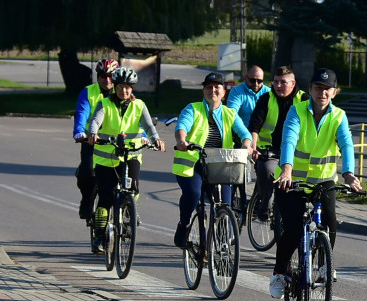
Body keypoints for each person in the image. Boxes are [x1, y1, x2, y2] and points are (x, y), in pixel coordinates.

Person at [269, 68, 364, 299]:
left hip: (323, 182)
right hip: (292, 182)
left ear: (334, 92)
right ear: (310, 89)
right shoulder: (297, 111)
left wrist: (349, 174)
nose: (323, 93)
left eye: (327, 89)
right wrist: (287, 169)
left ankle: (324, 265)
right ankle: (280, 272)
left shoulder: (339, 116)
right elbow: (289, 139)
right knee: (291, 229)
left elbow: (346, 145)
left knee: (330, 221)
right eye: (318, 88)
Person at [87, 66, 166, 253]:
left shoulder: (139, 105)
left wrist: (157, 140)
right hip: (107, 158)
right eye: (121, 86)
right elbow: (96, 122)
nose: (124, 90)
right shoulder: (105, 104)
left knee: (134, 187)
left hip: (131, 154)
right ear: (114, 87)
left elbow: (149, 126)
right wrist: (93, 134)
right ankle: (99, 236)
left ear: (133, 88)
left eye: (128, 87)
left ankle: (130, 210)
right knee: (105, 197)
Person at [173, 72, 253, 247]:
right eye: (209, 87)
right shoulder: (193, 109)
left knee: (225, 204)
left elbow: (244, 133)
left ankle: (223, 244)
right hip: (192, 165)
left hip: (218, 166)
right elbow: (182, 126)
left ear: (224, 92)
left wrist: (247, 145)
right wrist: (181, 140)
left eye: (217, 87)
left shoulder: (229, 114)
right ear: (203, 90)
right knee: (193, 194)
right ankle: (184, 225)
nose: (213, 90)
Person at [248, 65, 306, 224]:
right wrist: (253, 148)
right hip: (269, 151)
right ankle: (264, 206)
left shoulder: (304, 100)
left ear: (293, 84)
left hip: (295, 151)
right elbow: (255, 126)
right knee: (266, 170)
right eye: (275, 82)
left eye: (283, 82)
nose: (278, 86)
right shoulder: (266, 98)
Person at [72, 58, 117, 220]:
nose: (107, 80)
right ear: (98, 77)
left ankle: (127, 209)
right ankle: (87, 200)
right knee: (88, 172)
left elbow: (136, 116)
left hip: (115, 143)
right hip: (92, 141)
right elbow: (82, 113)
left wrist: (145, 136)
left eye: (111, 76)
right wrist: (79, 132)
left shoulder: (124, 92)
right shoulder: (88, 92)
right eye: (103, 76)